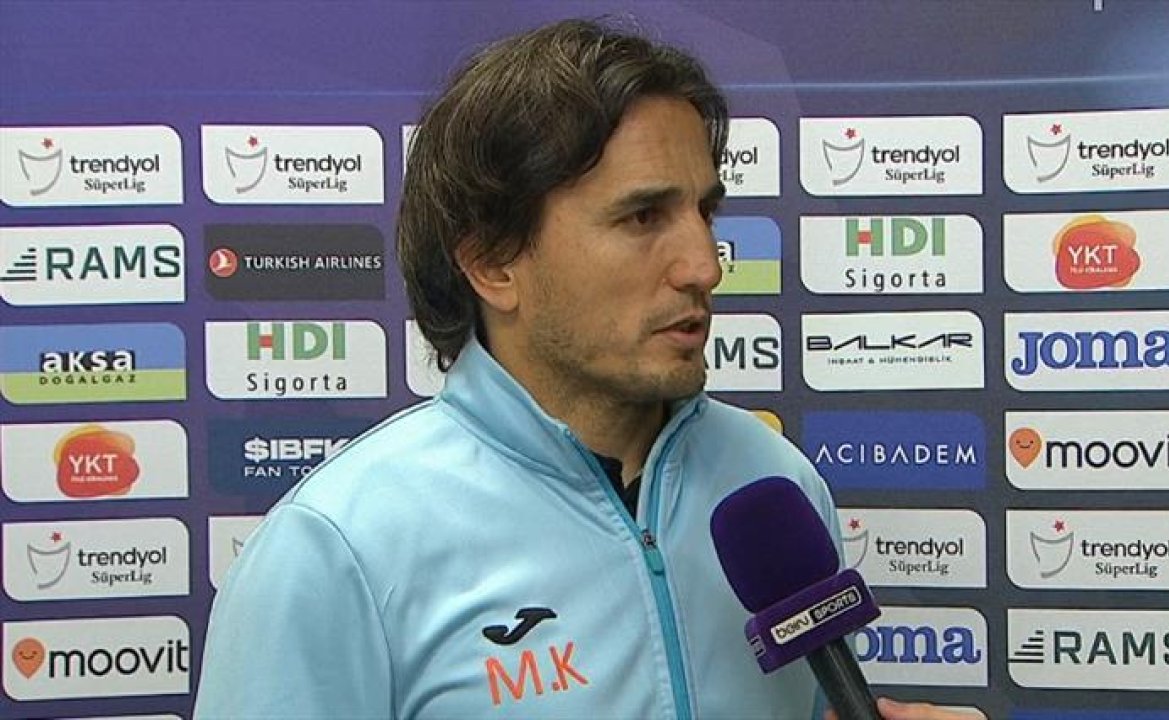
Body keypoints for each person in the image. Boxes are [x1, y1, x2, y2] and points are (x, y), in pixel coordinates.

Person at [195, 19, 966, 720]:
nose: (704, 265)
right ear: (493, 262)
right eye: (642, 217)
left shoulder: (772, 482)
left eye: (705, 212)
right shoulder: (336, 550)